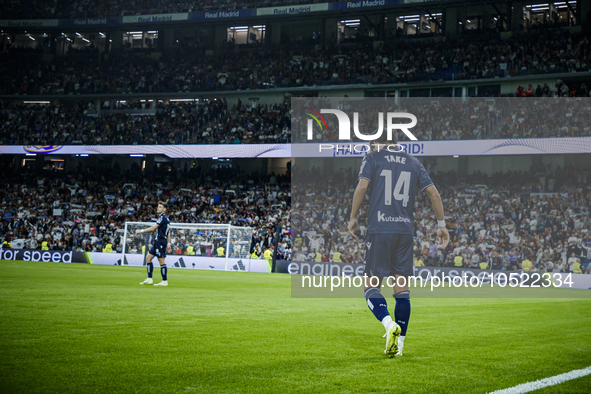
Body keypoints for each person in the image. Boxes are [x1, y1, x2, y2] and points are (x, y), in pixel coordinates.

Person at [348, 133, 449, 358]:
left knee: (371, 287)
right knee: (402, 291)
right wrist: (441, 225)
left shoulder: (372, 157)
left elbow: (362, 188)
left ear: (378, 142)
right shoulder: (414, 162)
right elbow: (435, 195)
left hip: (379, 230)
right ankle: (399, 344)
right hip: (404, 232)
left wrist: (353, 217)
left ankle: (388, 324)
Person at [136, 201, 170, 286]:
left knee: (161, 260)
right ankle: (149, 278)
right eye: (158, 206)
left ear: (164, 209)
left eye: (160, 207)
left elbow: (153, 228)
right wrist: (169, 243)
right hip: (157, 241)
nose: (158, 208)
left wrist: (141, 231)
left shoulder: (163, 217)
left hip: (161, 241)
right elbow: (168, 232)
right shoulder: (164, 218)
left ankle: (164, 281)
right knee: (148, 258)